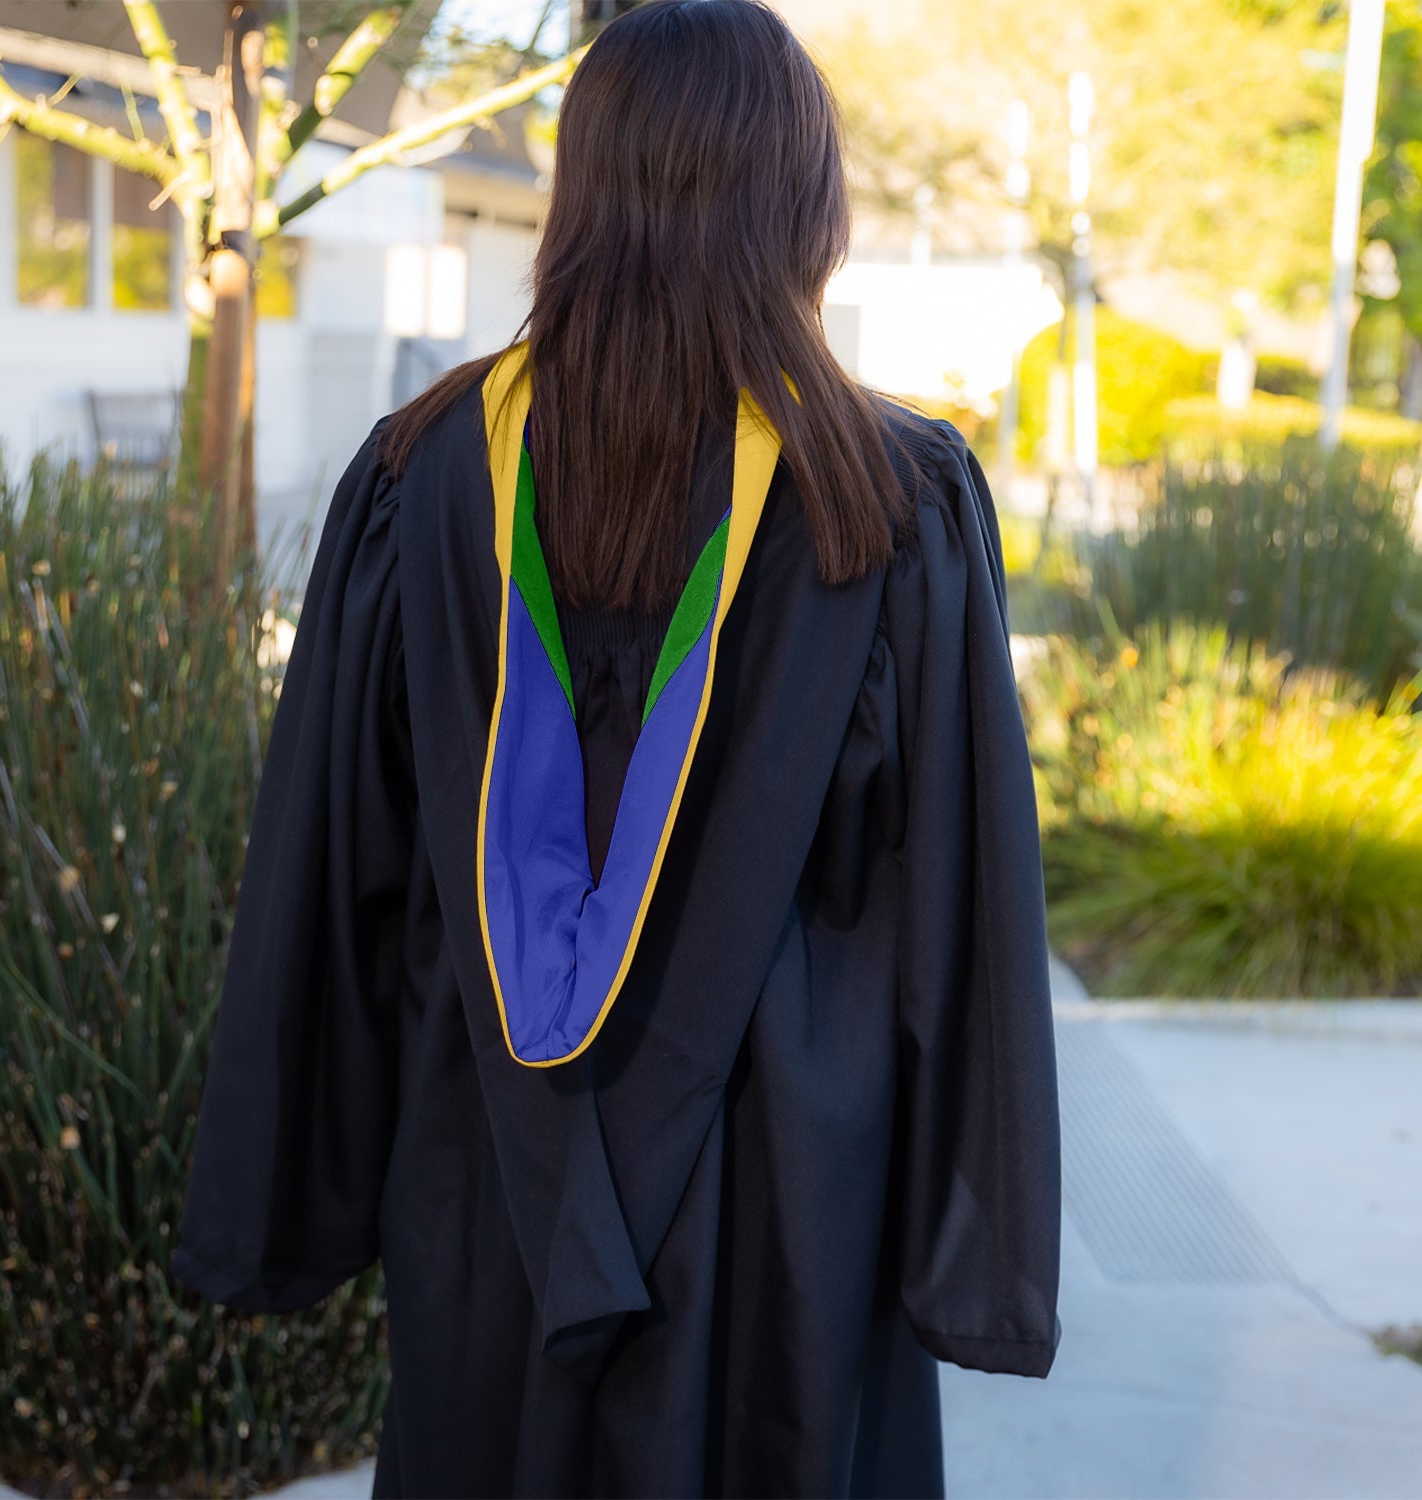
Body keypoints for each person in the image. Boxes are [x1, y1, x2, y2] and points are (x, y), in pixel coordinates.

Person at [169, 2, 1063, 1496]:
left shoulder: (423, 477)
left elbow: (335, 876)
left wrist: (284, 1199)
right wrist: (972, 1245)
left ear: (579, 191)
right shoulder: (891, 504)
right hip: (797, 1218)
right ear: (807, 204)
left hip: (490, 1194)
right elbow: (962, 909)